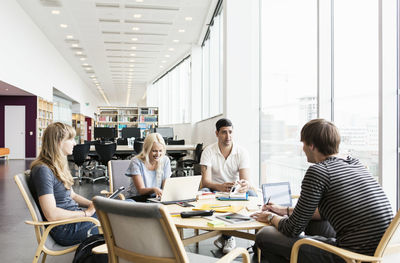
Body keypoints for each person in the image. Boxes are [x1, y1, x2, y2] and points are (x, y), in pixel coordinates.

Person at [252, 119, 393, 263]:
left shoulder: (319, 171)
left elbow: (292, 229)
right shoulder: (354, 163)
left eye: (304, 144)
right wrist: (283, 210)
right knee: (316, 223)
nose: (303, 149)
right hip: (380, 251)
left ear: (312, 146)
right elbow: (326, 212)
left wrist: (270, 217)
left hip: (351, 256)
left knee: (264, 236)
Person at [29, 122, 98, 246]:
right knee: (122, 216)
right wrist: (86, 213)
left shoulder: (57, 166)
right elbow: (51, 214)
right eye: (70, 139)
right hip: (65, 229)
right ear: (58, 142)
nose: (75, 143)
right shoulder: (43, 170)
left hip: (74, 221)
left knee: (124, 207)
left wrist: (93, 204)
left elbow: (73, 196)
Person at [200, 118, 253, 253]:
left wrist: (244, 185)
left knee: (252, 194)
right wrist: (220, 187)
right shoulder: (208, 151)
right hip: (214, 188)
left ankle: (254, 239)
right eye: (224, 132)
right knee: (203, 192)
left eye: (230, 132)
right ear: (217, 133)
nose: (228, 136)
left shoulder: (242, 152)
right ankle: (227, 236)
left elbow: (245, 180)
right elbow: (205, 181)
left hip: (234, 190)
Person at [125, 133, 171, 202]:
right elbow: (141, 190)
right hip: (137, 198)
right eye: (154, 151)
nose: (158, 154)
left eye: (160, 151)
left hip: (155, 198)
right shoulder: (136, 162)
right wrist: (154, 189)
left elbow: (165, 187)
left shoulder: (165, 160)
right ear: (147, 149)